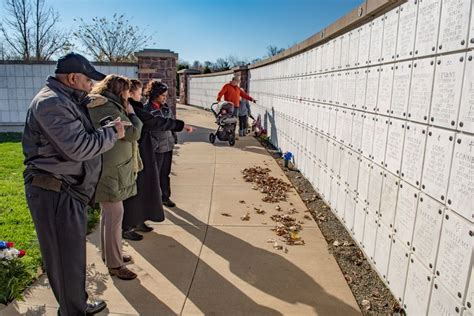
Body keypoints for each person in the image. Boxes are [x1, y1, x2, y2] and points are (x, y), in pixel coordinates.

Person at [22, 52, 125, 315]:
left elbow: (80, 128)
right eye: (88, 81)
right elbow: (78, 147)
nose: (91, 86)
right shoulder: (50, 103)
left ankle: (75, 304)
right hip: (53, 192)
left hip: (65, 191)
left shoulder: (64, 98)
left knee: (72, 258)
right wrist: (111, 132)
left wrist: (94, 105)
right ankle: (72, 311)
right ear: (72, 78)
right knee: (64, 259)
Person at [87, 75, 143, 280]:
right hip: (109, 171)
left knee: (109, 216)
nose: (129, 95)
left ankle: (111, 254)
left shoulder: (105, 104)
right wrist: (131, 112)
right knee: (114, 216)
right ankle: (115, 265)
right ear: (121, 90)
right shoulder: (107, 107)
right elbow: (134, 133)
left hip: (111, 168)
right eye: (128, 91)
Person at [122, 79, 192, 240]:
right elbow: (155, 122)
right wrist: (180, 125)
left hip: (144, 151)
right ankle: (127, 226)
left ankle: (138, 220)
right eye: (139, 92)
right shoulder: (134, 109)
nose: (141, 95)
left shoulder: (135, 108)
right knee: (136, 189)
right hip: (142, 152)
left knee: (144, 187)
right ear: (130, 93)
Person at [144, 81, 188, 208]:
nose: (165, 97)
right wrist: (153, 144)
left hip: (168, 146)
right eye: (163, 95)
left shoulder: (166, 107)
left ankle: (165, 197)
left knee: (165, 174)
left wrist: (173, 138)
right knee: (154, 176)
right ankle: (153, 201)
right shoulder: (146, 110)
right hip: (156, 149)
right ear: (155, 95)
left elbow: (172, 123)